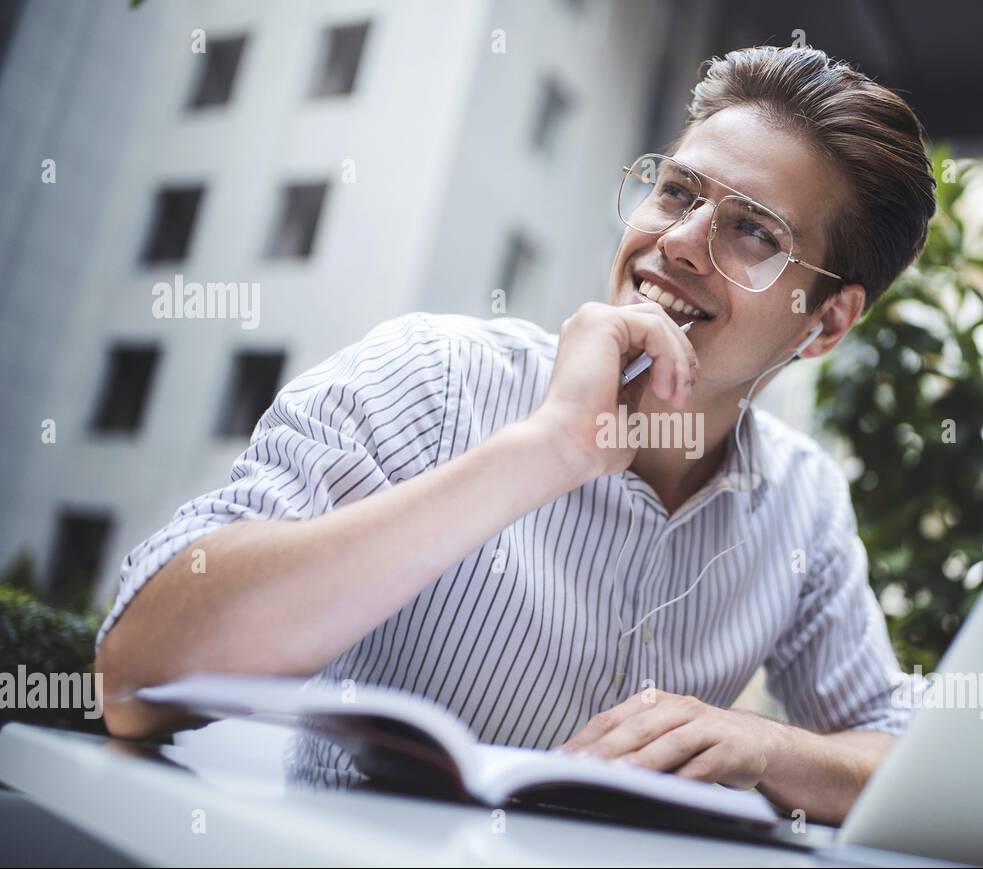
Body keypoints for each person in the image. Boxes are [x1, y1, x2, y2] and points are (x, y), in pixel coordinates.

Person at [95, 44, 937, 825]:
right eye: (677, 192)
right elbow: (137, 672)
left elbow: (904, 755)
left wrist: (768, 744)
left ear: (825, 323)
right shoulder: (433, 374)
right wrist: (547, 450)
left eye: (753, 230)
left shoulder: (802, 500)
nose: (676, 242)